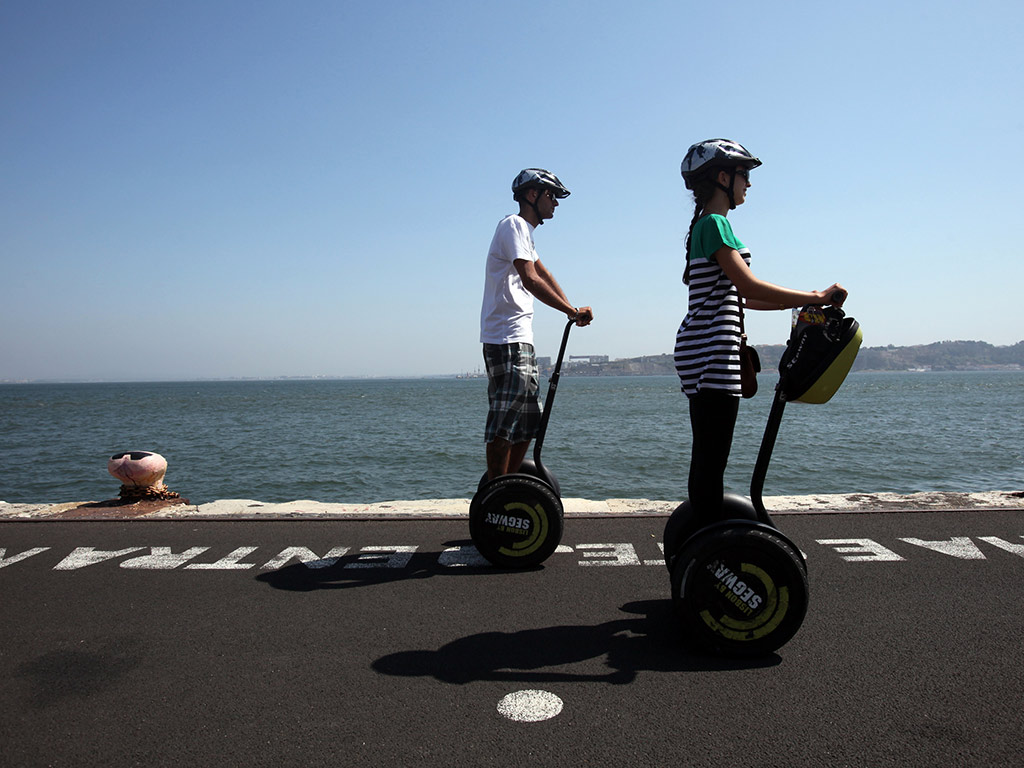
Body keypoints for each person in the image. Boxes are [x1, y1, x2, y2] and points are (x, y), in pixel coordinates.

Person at [673, 139, 846, 527]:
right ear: (723, 177)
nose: (748, 183)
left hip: (704, 347)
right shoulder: (715, 224)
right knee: (711, 457)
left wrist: (799, 304)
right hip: (712, 349)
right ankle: (707, 540)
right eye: (744, 175)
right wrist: (815, 296)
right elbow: (748, 286)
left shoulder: (707, 225)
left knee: (708, 455)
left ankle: (702, 534)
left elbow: (743, 298)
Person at [480, 168, 594, 481]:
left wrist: (571, 309)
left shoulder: (525, 236)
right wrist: (570, 310)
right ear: (533, 195)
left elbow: (543, 273)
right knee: (504, 421)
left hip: (520, 339)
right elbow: (530, 279)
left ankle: (508, 482)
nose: (555, 202)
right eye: (551, 195)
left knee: (530, 420)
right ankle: (495, 490)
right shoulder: (513, 224)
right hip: (505, 339)